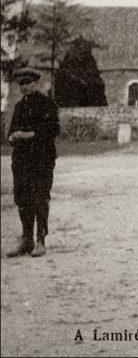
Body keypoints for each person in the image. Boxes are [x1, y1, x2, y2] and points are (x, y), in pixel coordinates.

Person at [5, 68, 60, 258]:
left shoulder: (47, 104)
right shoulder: (19, 107)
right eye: (21, 84)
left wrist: (27, 135)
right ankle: (26, 239)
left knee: (40, 198)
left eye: (28, 83)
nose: (25, 87)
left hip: (42, 159)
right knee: (22, 199)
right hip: (21, 161)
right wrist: (12, 136)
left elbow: (53, 130)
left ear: (36, 83)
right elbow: (10, 133)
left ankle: (40, 240)